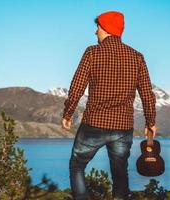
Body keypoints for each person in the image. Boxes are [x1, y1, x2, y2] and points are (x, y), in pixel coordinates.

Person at [61, 11, 158, 200]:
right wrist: (151, 121)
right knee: (120, 173)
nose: (95, 32)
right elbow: (147, 94)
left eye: (98, 27)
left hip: (93, 124)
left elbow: (76, 87)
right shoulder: (137, 57)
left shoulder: (92, 52)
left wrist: (67, 113)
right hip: (123, 128)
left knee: (77, 165)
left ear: (106, 29)